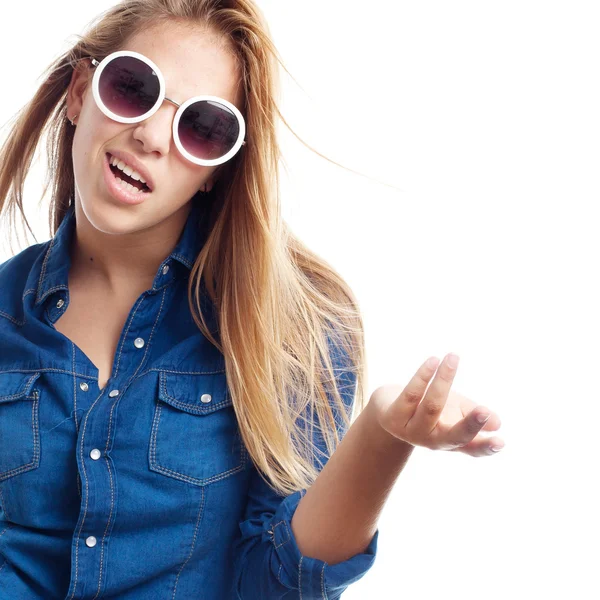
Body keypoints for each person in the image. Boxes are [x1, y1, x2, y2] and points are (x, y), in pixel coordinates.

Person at [0, 1, 504, 598]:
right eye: (133, 87)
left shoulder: (293, 328)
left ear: (218, 168)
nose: (153, 136)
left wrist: (381, 434)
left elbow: (275, 586)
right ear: (80, 92)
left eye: (201, 127)